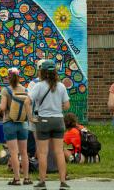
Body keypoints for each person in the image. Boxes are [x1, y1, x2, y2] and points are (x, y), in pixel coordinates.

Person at [29, 59, 70, 190]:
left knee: (43, 153)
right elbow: (67, 105)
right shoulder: (61, 86)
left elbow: (27, 101)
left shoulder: (39, 86)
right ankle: (63, 182)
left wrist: (30, 117)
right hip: (58, 120)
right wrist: (56, 106)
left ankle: (42, 182)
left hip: (44, 121)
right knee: (59, 152)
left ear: (42, 72)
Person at [0, 67, 32, 185]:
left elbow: (3, 108)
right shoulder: (25, 90)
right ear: (19, 77)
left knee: (13, 152)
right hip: (23, 123)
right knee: (24, 152)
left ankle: (17, 179)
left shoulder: (5, 90)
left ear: (8, 77)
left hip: (9, 123)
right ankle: (27, 178)